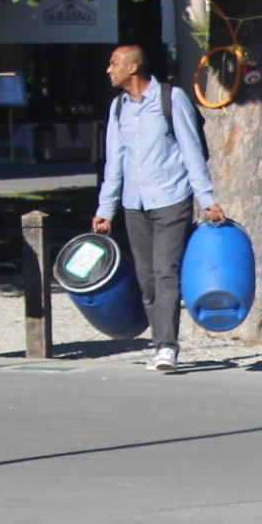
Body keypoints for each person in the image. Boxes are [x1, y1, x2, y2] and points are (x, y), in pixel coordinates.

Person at [91, 44, 225, 373]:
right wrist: (105, 208)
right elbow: (114, 161)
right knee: (146, 278)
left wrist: (207, 199)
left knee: (166, 272)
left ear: (133, 67)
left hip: (171, 198)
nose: (108, 70)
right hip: (134, 204)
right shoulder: (118, 107)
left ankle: (167, 347)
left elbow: (191, 150)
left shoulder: (171, 99)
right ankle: (158, 343)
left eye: (113, 64)